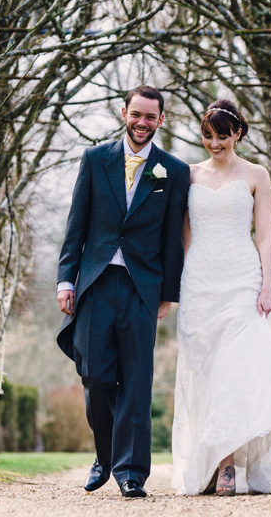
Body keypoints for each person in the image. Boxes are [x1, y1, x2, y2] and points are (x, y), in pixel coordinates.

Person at [171, 99, 271, 496]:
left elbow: (263, 237)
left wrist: (267, 285)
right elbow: (184, 234)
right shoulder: (188, 175)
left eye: (221, 136)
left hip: (243, 280)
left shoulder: (257, 174)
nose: (214, 144)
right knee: (205, 371)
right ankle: (208, 461)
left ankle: (229, 466)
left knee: (237, 370)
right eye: (207, 136)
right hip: (200, 281)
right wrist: (184, 279)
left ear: (238, 133)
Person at [56, 85, 190, 498]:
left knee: (137, 381)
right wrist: (66, 278)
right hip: (95, 283)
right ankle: (106, 451)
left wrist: (167, 292)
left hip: (141, 287)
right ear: (123, 113)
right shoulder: (96, 160)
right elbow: (76, 222)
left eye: (151, 117)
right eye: (137, 114)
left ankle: (131, 472)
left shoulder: (174, 171)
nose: (142, 123)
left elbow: (171, 237)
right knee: (95, 375)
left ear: (161, 120)